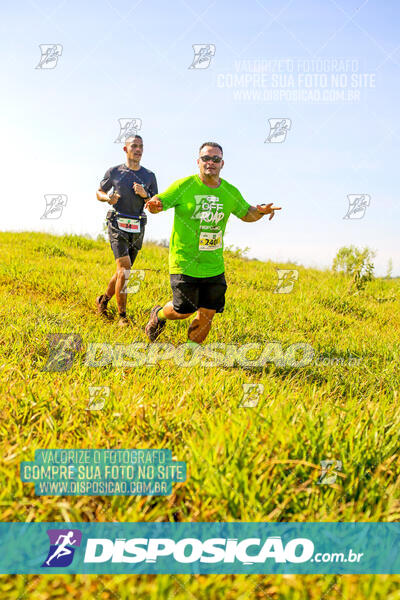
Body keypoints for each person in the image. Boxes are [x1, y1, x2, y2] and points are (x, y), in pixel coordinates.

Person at [144, 141, 281, 344]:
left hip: (214, 264)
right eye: (206, 158)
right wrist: (154, 205)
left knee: (208, 313)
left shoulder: (230, 191)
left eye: (215, 159)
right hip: (185, 261)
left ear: (222, 163)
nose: (211, 162)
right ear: (198, 161)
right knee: (183, 311)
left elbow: (247, 214)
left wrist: (260, 212)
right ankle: (159, 314)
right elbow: (159, 202)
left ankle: (189, 353)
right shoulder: (184, 185)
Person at [95, 135, 158, 326]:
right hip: (117, 222)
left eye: (141, 146)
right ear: (125, 149)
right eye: (134, 146)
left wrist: (145, 194)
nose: (138, 149)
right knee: (125, 269)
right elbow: (99, 192)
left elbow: (156, 205)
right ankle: (122, 317)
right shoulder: (114, 172)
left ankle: (103, 301)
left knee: (124, 271)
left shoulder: (149, 176)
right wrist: (108, 198)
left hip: (137, 225)